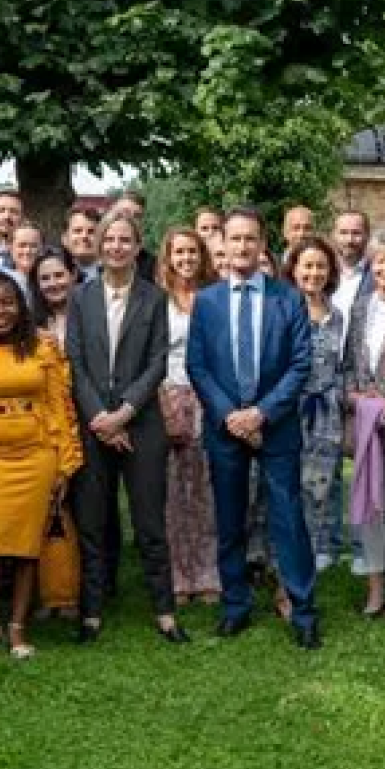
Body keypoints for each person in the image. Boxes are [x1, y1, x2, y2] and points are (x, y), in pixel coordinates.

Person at [185, 209, 321, 649]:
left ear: (263, 244)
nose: (242, 248)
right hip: (225, 427)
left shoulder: (288, 297)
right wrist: (230, 416)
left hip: (275, 425)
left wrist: (261, 413)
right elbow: (198, 365)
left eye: (251, 240)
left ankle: (302, 610)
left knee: (288, 518)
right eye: (235, 239)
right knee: (230, 519)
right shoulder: (207, 301)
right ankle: (235, 606)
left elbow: (301, 363)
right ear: (222, 244)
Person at [0, 274, 85, 662]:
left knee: (27, 546)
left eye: (7, 302)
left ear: (20, 305)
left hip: (38, 457)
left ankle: (19, 626)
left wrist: (65, 463)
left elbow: (61, 407)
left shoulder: (43, 346)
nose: (0, 311)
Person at [65, 214, 184, 643]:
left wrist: (124, 413)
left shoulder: (154, 299)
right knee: (93, 521)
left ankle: (165, 612)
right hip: (93, 423)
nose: (116, 247)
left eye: (125, 240)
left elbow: (157, 362)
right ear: (100, 246)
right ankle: (92, 612)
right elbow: (74, 362)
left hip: (142, 424)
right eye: (109, 240)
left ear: (137, 247)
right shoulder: (81, 297)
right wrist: (101, 417)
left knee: (150, 521)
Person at [340, 232, 385, 617]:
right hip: (365, 424)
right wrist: (353, 396)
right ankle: (376, 587)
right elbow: (349, 364)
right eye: (379, 261)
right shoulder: (360, 305)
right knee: (370, 507)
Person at [158, 228, 224, 607]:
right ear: (168, 257)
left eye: (192, 252)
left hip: (208, 396)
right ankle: (178, 575)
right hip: (168, 395)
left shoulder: (213, 298)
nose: (186, 258)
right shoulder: (157, 300)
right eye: (178, 252)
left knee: (207, 489)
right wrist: (161, 400)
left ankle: (207, 572)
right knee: (172, 491)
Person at [284, 238, 349, 608]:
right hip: (290, 410)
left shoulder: (336, 313)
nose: (313, 273)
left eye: (320, 267)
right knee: (285, 487)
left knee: (319, 488)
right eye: (306, 266)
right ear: (293, 269)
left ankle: (309, 560)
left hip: (325, 412)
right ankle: (280, 566)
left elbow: (340, 366)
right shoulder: (282, 307)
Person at [29, 247, 77, 341]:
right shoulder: (29, 324)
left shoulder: (91, 315)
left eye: (59, 275)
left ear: (74, 274)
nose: (53, 283)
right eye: (45, 278)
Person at [329, 210, 371, 316]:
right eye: (343, 232)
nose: (349, 240)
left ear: (367, 236)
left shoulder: (378, 274)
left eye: (356, 233)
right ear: (334, 235)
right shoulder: (322, 273)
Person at [63, 208, 102, 279]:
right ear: (64, 239)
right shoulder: (53, 277)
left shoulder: (114, 272)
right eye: (78, 231)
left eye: (91, 231)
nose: (84, 236)